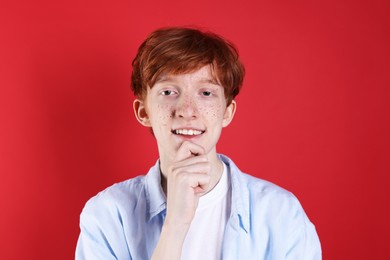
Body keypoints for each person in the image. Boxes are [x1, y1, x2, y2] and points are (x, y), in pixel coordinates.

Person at [75, 27, 322, 260]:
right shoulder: (107, 214)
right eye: (168, 92)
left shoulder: (282, 213)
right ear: (143, 112)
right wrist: (175, 224)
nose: (187, 110)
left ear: (227, 112)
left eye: (206, 93)